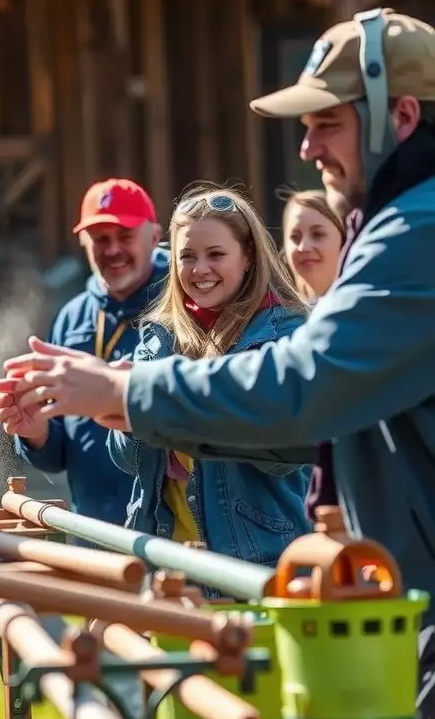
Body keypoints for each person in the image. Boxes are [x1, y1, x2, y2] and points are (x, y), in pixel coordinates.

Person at [0, 8, 435, 719]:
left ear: (402, 116)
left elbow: (307, 389)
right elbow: (308, 432)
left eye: (327, 123)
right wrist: (109, 402)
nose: (306, 148)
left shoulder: (417, 231)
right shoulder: (397, 223)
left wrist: (125, 390)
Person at [104, 185, 311, 571]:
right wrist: (122, 410)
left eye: (216, 254)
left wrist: (164, 401)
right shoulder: (158, 336)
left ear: (248, 256)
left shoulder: (287, 336)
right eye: (187, 256)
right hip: (165, 563)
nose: (200, 269)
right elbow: (129, 460)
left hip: (257, 566)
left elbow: (281, 459)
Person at [4, 178, 168, 525]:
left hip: (169, 534)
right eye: (100, 239)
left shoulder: (181, 308)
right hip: (92, 531)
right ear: (83, 243)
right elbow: (57, 456)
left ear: (154, 237)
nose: (112, 250)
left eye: (125, 236)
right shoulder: (71, 318)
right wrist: (35, 431)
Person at [281, 189, 346, 301]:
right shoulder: (277, 310)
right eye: (295, 237)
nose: (303, 247)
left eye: (317, 234)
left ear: (344, 241)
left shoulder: (365, 305)